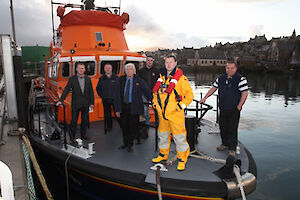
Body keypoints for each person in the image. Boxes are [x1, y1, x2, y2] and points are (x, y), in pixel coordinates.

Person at [152, 55, 194, 171]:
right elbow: (155, 94)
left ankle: (182, 159)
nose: (168, 64)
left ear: (175, 63)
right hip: (162, 115)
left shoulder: (182, 79)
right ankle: (162, 155)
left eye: (171, 62)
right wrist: (155, 104)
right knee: (163, 136)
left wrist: (180, 106)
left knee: (179, 138)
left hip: (175, 115)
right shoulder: (161, 78)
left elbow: (190, 97)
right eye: (166, 62)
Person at [199, 60, 248, 157]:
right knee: (223, 126)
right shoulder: (220, 78)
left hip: (234, 109)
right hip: (223, 107)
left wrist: (239, 106)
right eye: (228, 68)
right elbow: (213, 88)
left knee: (232, 128)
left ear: (236, 68)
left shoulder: (241, 79)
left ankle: (232, 149)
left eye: (232, 68)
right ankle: (225, 144)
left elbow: (245, 93)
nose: (229, 70)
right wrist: (205, 98)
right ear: (225, 68)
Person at [114, 63, 152, 152]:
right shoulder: (120, 80)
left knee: (132, 127)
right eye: (127, 69)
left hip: (134, 107)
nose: (129, 71)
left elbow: (146, 91)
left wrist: (152, 99)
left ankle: (130, 144)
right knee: (124, 126)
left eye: (131, 69)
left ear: (134, 71)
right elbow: (116, 95)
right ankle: (125, 143)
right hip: (123, 107)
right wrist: (117, 109)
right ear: (125, 71)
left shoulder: (139, 80)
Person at [56, 62, 94, 142]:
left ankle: (83, 136)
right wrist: (60, 100)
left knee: (84, 121)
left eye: (82, 68)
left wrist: (92, 103)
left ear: (84, 70)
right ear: (76, 69)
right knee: (73, 122)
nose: (81, 70)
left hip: (85, 104)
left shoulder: (88, 79)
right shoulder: (72, 79)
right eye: (79, 68)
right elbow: (66, 90)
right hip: (76, 104)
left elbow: (91, 92)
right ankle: (72, 138)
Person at [138, 55, 159, 138]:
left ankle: (158, 126)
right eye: (148, 60)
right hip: (144, 93)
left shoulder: (156, 71)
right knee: (145, 110)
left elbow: (159, 82)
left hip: (154, 94)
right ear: (145, 61)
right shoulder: (141, 71)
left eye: (151, 60)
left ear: (152, 61)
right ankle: (147, 126)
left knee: (157, 110)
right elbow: (139, 82)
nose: (149, 62)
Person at [96, 63, 119, 134]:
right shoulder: (101, 78)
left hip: (115, 99)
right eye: (106, 68)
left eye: (109, 68)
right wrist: (102, 96)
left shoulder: (116, 78)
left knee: (118, 113)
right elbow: (98, 88)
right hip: (106, 99)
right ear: (104, 69)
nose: (108, 69)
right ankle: (108, 127)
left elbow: (119, 88)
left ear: (111, 69)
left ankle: (122, 126)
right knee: (107, 114)